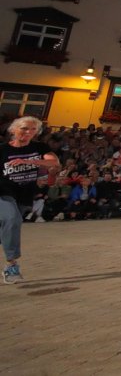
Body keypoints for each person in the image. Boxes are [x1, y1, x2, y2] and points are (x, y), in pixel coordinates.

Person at [2, 117, 62, 283]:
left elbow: (54, 163)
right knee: (12, 219)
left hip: (24, 195)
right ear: (13, 130)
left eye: (33, 129)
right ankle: (11, 265)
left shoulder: (39, 147)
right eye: (24, 128)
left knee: (8, 229)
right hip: (3, 192)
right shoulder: (3, 149)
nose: (28, 132)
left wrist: (27, 161)